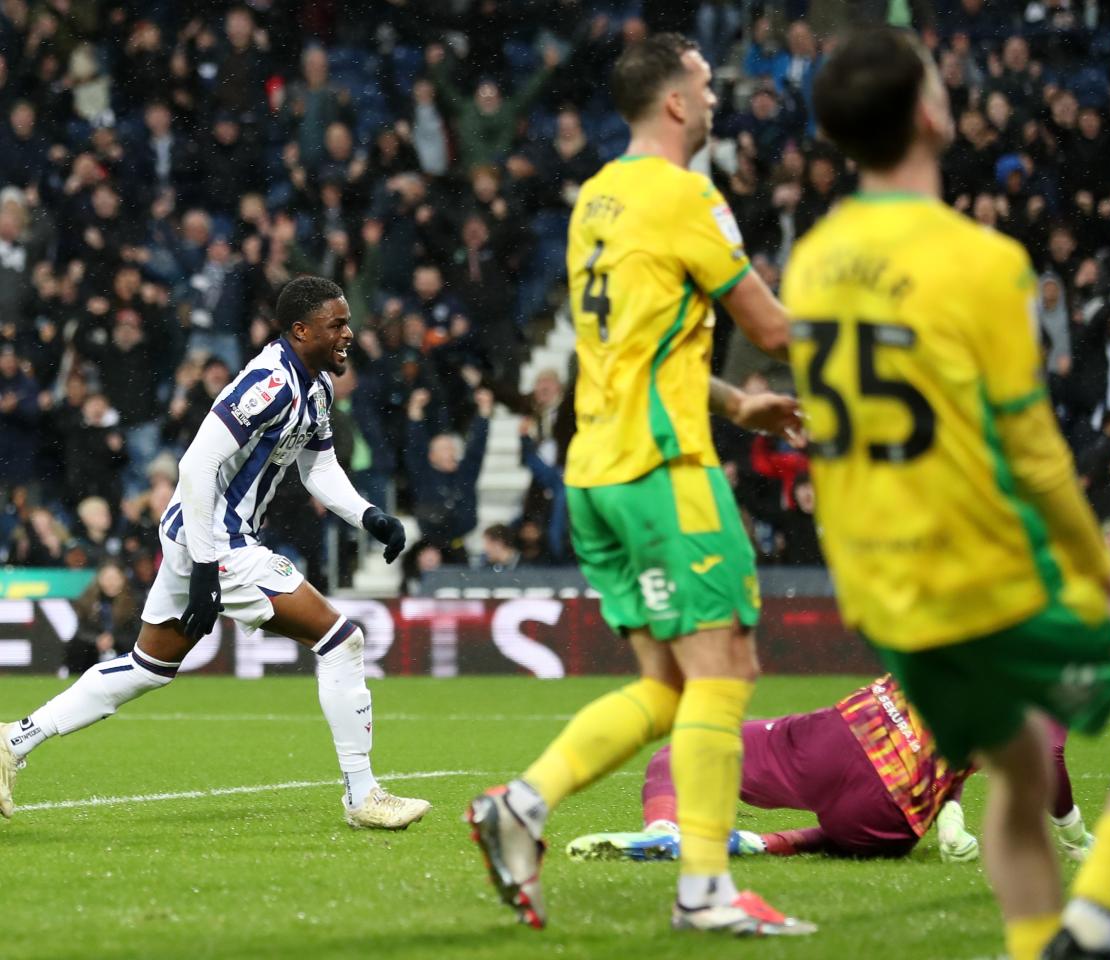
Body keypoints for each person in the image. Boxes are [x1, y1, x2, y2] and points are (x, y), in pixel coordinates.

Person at [781, 29, 1110, 960]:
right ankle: (1091, 926)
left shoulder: (814, 262)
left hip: (880, 586)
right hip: (978, 571)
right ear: (934, 116)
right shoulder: (980, 263)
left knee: (1021, 768)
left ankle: (1036, 943)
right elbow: (1032, 454)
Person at [466, 33, 814, 938]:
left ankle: (523, 805)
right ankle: (705, 891)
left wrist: (738, 405)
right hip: (664, 473)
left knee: (669, 686)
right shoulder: (686, 194)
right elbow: (774, 326)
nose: (712, 100)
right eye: (702, 85)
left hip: (597, 471)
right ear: (672, 102)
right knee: (727, 666)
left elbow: (636, 344)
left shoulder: (598, 199)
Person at [1, 277, 430, 831]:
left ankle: (13, 741)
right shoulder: (269, 382)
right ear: (301, 330)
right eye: (337, 325)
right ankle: (363, 795)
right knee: (342, 640)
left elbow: (317, 466)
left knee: (146, 668)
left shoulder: (317, 386)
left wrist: (367, 514)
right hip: (217, 541)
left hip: (198, 538)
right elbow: (195, 465)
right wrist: (206, 565)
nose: (349, 334)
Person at [566, 673, 1094, 865]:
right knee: (844, 836)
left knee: (684, 752)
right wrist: (1076, 833)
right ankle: (758, 844)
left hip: (842, 737)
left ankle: (663, 829)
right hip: (889, 811)